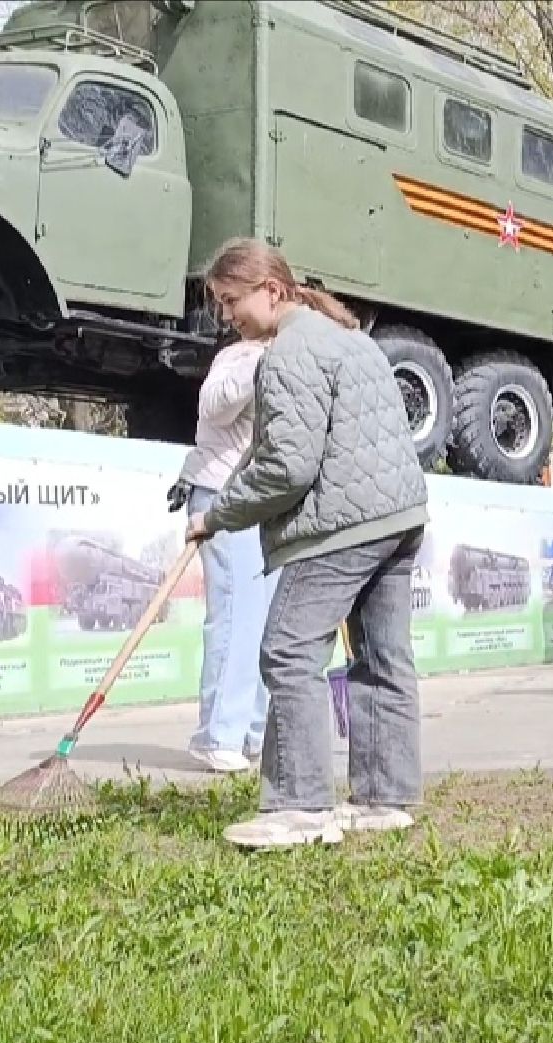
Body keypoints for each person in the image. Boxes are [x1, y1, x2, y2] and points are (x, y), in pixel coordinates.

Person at [185, 237, 430, 851]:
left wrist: (218, 514)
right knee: (383, 657)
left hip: (340, 527)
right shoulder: (351, 341)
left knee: (288, 652)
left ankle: (300, 806)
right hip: (399, 518)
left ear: (271, 290)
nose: (228, 317)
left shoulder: (289, 353)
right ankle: (383, 799)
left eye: (231, 300)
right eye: (220, 305)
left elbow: (288, 467)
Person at [169, 336, 278, 773]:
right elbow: (214, 405)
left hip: (265, 502)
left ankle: (254, 732)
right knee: (236, 618)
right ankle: (218, 735)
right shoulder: (241, 355)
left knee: (267, 620)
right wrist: (262, 368)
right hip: (221, 498)